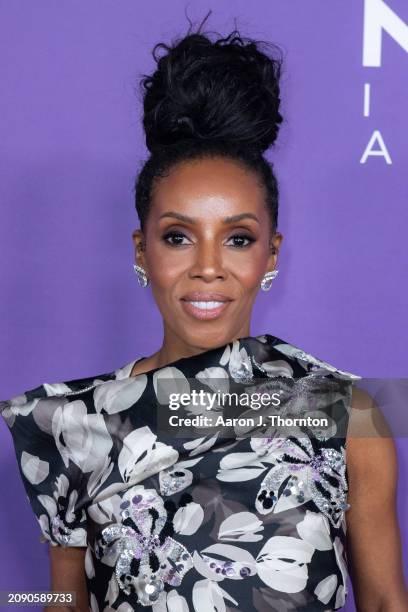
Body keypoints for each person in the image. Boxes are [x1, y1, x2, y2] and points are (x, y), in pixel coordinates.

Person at [1, 24, 407, 612]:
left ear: (272, 253)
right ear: (142, 250)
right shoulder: (71, 426)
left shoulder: (344, 415)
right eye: (178, 237)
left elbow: (387, 602)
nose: (209, 268)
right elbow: (59, 603)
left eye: (238, 238)